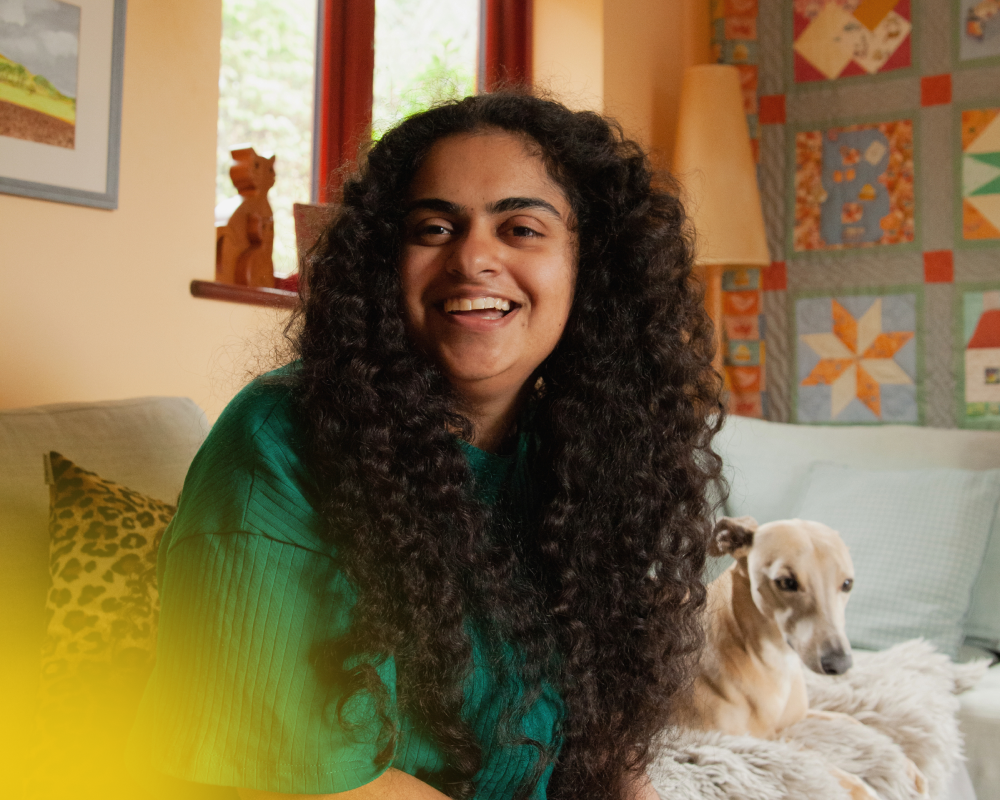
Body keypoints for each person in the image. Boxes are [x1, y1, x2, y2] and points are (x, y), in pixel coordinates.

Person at [129, 91, 724, 800]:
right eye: (435, 227)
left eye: (522, 229)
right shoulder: (278, 443)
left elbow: (604, 748)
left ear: (587, 266)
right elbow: (308, 785)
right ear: (387, 263)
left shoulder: (578, 452)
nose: (473, 258)